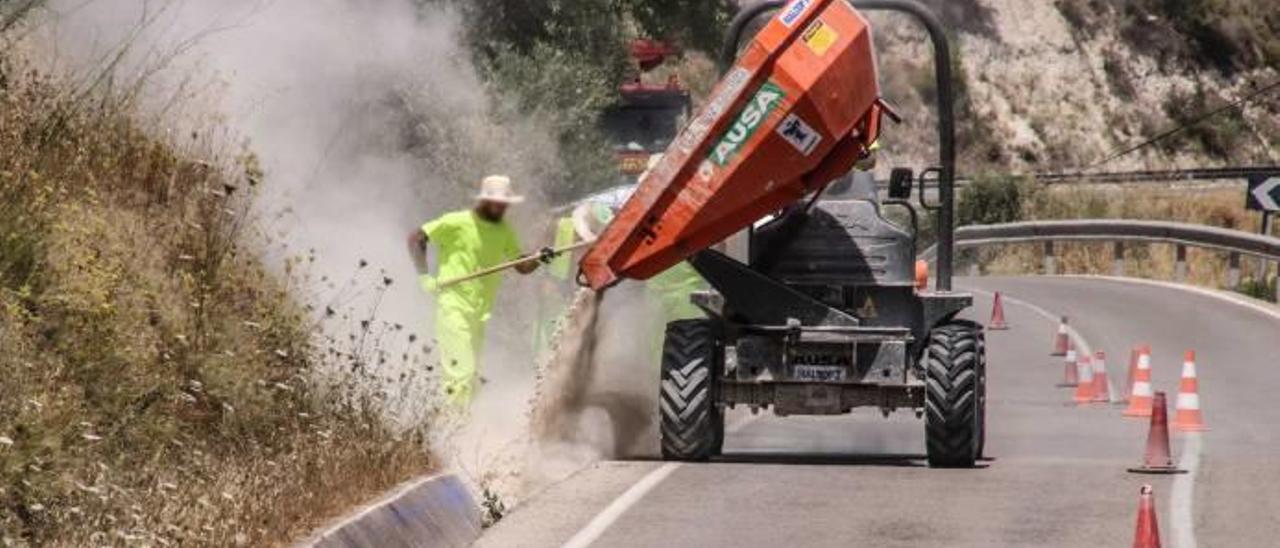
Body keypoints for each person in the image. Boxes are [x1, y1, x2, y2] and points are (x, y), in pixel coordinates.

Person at [407, 175, 547, 408]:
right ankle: (454, 434)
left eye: (504, 203)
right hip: (453, 307)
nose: (501, 206)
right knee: (462, 374)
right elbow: (416, 238)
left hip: (479, 314)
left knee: (471, 380)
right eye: (496, 202)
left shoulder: (504, 231)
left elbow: (520, 265)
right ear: (484, 200)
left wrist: (539, 258)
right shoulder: (456, 222)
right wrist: (424, 277)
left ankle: (453, 427)